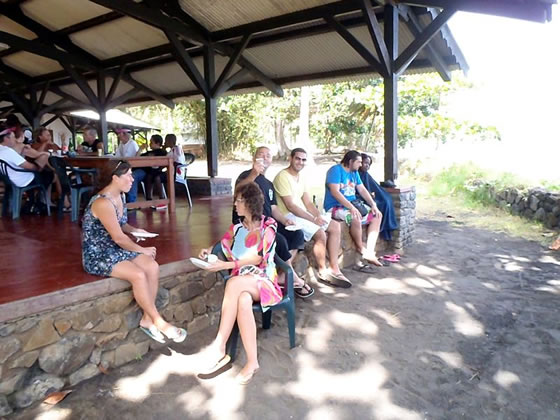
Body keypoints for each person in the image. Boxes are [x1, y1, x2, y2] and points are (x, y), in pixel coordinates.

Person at [81, 160, 187, 343]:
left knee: (152, 267)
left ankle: (147, 319)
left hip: (115, 249)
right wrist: (141, 250)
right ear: (114, 178)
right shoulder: (102, 202)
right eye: (128, 175)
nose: (132, 179)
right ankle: (159, 321)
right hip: (99, 254)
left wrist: (135, 231)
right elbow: (118, 238)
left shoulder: (120, 196)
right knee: (138, 274)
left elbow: (121, 224)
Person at [198, 182, 282, 384]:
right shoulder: (236, 228)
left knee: (234, 283)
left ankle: (219, 346)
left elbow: (258, 258)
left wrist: (224, 265)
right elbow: (222, 243)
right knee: (243, 300)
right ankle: (252, 362)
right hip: (244, 283)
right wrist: (208, 251)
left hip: (264, 280)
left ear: (250, 203)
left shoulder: (267, 227)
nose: (235, 203)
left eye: (239, 200)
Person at [234, 146, 314, 298]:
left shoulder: (269, 184)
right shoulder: (245, 176)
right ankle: (293, 278)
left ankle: (283, 274)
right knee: (280, 240)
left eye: (267, 156)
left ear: (271, 160)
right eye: (260, 155)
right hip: (249, 225)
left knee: (297, 234)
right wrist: (254, 173)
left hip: (267, 223)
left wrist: (285, 220)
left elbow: (274, 208)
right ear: (254, 158)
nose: (264, 158)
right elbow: (239, 191)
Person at [273, 148, 350, 288]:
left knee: (334, 226)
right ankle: (322, 271)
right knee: (320, 233)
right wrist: (313, 220)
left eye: (303, 160)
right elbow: (290, 206)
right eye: (297, 158)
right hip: (288, 216)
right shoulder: (282, 177)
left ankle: (334, 267)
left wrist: (318, 215)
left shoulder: (301, 178)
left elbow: (308, 202)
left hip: (300, 213)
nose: (300, 162)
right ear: (290, 158)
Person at [324, 150, 383, 267]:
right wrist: (350, 207)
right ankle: (361, 248)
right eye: (359, 162)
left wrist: (373, 205)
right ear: (350, 161)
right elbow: (335, 192)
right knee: (355, 217)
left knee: (377, 215)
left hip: (353, 204)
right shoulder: (335, 170)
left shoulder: (354, 173)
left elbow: (362, 189)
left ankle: (370, 251)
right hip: (335, 206)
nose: (361, 165)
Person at [0, 124, 53, 194]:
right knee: (49, 174)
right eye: (13, 137)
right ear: (6, 138)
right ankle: (37, 198)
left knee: (46, 171)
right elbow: (31, 167)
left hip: (9, 181)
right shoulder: (8, 151)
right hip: (23, 181)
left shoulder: (2, 150)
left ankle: (33, 198)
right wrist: (38, 166)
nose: (15, 140)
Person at [358, 153, 399, 241]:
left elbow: (374, 187)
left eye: (369, 164)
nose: (367, 166)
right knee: (381, 204)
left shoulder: (366, 174)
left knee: (386, 200)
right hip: (359, 198)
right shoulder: (356, 175)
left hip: (368, 197)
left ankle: (387, 228)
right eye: (365, 163)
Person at [128, 134, 167, 204]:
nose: (149, 144)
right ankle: (147, 199)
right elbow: (136, 159)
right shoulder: (148, 152)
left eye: (151, 142)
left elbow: (163, 163)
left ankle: (132, 201)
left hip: (152, 171)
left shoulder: (162, 152)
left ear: (157, 143)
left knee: (138, 176)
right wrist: (140, 149)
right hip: (143, 170)